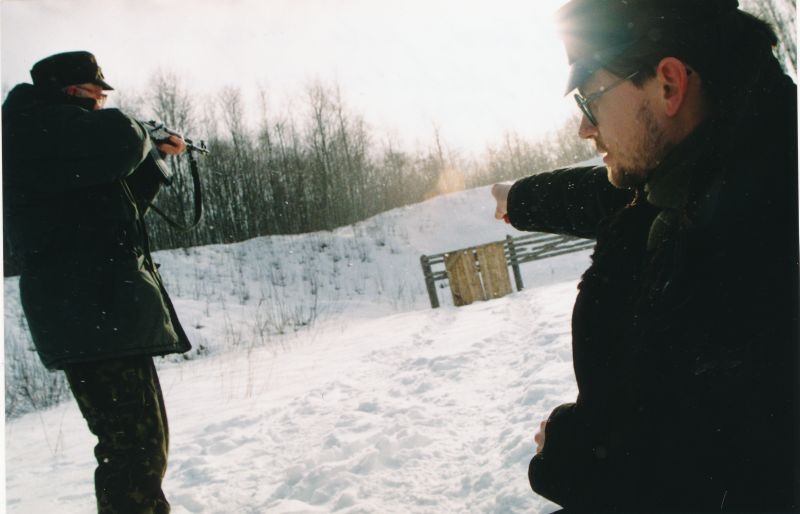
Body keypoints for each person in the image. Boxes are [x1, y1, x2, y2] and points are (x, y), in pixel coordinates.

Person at [492, 1, 798, 511]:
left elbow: (722, 482)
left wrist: (578, 458)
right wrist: (519, 199)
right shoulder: (732, 155)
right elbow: (617, 196)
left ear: (670, 85)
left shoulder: (754, 250)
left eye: (589, 102)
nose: (584, 130)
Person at [3, 51, 192, 514]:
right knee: (132, 452)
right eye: (97, 95)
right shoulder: (34, 127)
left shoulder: (59, 141)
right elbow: (120, 138)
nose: (104, 103)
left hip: (102, 310)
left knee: (142, 448)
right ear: (72, 92)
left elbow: (112, 215)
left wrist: (153, 160)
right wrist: (143, 134)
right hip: (90, 311)